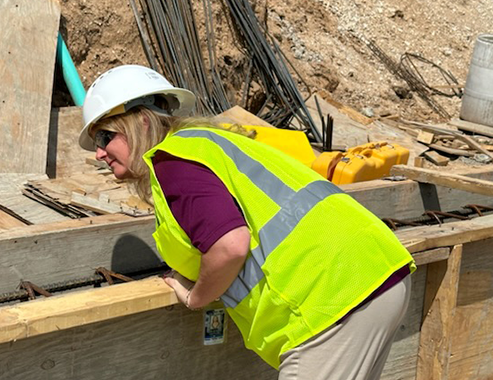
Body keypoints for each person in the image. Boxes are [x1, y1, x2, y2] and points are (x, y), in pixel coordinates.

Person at [76, 64, 415, 379]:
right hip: (370, 275)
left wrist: (197, 296)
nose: (99, 153)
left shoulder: (174, 163)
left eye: (106, 137)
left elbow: (230, 246)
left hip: (330, 303)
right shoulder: (210, 144)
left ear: (142, 123)